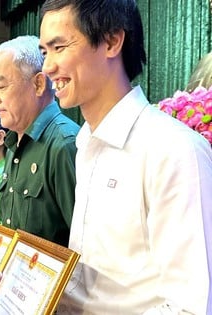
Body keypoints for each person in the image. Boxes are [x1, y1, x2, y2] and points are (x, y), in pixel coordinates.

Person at [39, 0, 212, 313]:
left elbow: (189, 306)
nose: (47, 66)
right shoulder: (85, 142)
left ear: (111, 41)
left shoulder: (174, 149)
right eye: (44, 52)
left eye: (59, 47)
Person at [0, 35, 78, 246]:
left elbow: (82, 243)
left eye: (2, 87)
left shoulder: (64, 144)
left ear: (38, 84)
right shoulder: (13, 142)